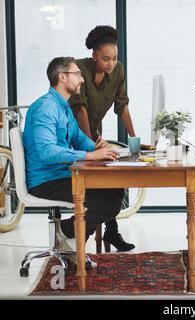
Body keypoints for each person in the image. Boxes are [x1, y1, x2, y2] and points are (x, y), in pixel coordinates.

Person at [23, 57, 124, 267]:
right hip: (46, 181)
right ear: (62, 77)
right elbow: (46, 150)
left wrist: (95, 147)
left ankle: (70, 243)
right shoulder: (46, 108)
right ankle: (66, 232)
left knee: (115, 189)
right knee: (109, 203)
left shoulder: (63, 106)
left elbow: (77, 137)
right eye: (77, 74)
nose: (82, 80)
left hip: (62, 173)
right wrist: (89, 157)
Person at [69, 25, 137, 252]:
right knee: (94, 182)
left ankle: (110, 231)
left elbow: (122, 105)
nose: (111, 63)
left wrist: (135, 138)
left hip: (93, 133)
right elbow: (80, 109)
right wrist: (90, 145)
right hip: (73, 134)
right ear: (94, 55)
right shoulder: (79, 69)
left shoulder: (118, 71)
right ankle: (79, 235)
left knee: (112, 176)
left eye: (115, 58)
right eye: (105, 58)